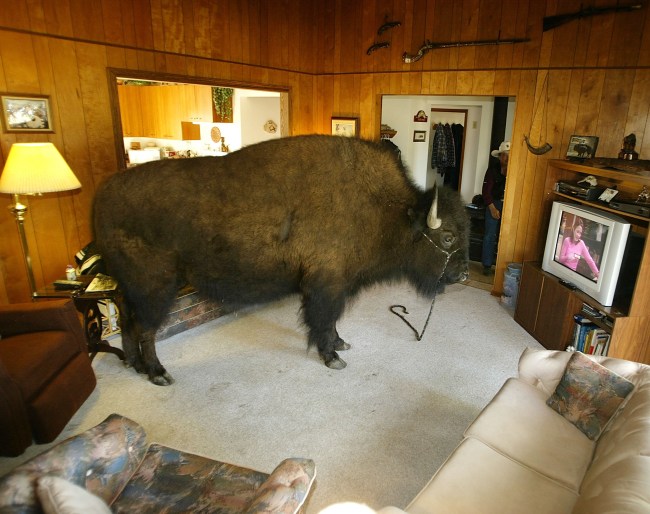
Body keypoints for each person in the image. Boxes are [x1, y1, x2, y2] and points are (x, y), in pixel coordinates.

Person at [481, 141, 510, 274]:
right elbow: (486, 192)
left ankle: (503, 266)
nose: (507, 158)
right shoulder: (492, 169)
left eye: (509, 155)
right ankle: (487, 265)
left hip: (510, 204)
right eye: (504, 155)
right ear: (499, 156)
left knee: (507, 236)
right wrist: (492, 208)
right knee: (489, 235)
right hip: (494, 203)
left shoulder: (516, 170)